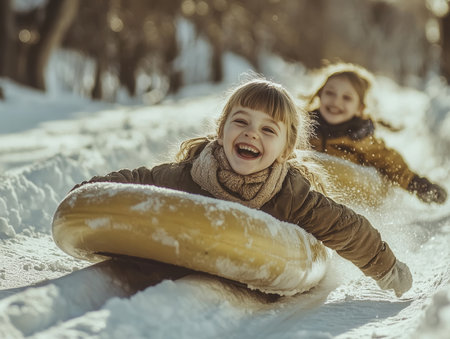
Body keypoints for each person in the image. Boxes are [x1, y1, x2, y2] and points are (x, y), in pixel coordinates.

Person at [72, 77, 412, 297]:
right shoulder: (189, 174)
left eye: (268, 130)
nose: (251, 134)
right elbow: (136, 182)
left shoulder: (290, 195)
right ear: (221, 132)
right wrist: (88, 193)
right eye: (241, 122)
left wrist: (386, 268)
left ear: (286, 149)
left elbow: (344, 228)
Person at [304, 62, 447, 204]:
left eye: (346, 98)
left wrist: (417, 184)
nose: (336, 102)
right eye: (330, 93)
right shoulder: (302, 127)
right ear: (319, 95)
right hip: (308, 191)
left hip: (345, 194)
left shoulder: (360, 138)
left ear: (360, 108)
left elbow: (389, 161)